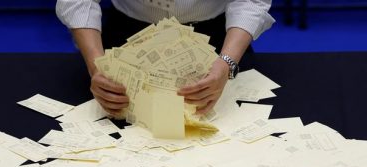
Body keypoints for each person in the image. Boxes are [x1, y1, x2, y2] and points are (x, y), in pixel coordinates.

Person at [56, 0, 275, 116]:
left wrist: (226, 62)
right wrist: (98, 66)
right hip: (128, 34)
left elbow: (251, 1)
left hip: (220, 40)